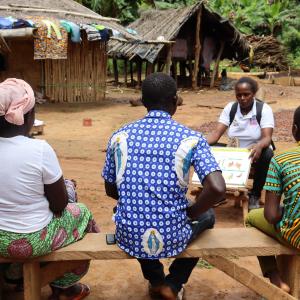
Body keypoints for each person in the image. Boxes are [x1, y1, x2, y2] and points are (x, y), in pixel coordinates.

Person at [102, 73, 226, 300]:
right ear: (174, 100)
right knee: (207, 215)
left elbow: (111, 190)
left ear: (143, 100)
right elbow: (217, 189)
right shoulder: (191, 138)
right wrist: (192, 211)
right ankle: (173, 282)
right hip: (173, 235)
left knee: (133, 215)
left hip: (128, 234)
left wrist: (136, 199)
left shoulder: (119, 136)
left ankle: (156, 280)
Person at [0, 78, 99, 300]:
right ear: (27, 117)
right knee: (82, 213)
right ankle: (63, 287)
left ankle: (14, 274)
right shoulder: (39, 149)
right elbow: (60, 204)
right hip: (32, 240)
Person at [246, 106, 300, 293]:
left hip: (296, 235)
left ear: (294, 130)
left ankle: (276, 278)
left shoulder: (282, 160)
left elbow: (271, 216)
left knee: (252, 216)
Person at [206, 77, 275, 209]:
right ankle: (218, 192)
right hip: (234, 151)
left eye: (246, 94)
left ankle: (255, 194)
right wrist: (199, 143)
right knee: (207, 149)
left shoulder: (263, 109)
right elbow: (216, 134)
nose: (242, 98)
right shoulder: (231, 109)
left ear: (253, 94)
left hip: (254, 152)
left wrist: (259, 145)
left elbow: (267, 137)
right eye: (239, 95)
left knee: (268, 154)